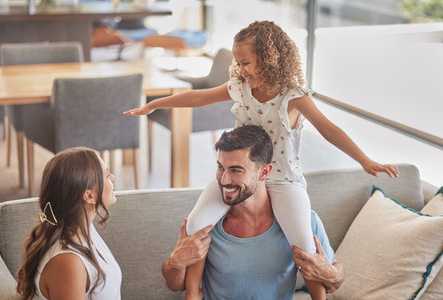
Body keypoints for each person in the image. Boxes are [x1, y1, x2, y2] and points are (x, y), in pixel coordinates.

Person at [125, 20, 397, 299]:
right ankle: (193, 294)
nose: (241, 71)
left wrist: (365, 161)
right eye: (238, 64)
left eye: (246, 63)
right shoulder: (239, 87)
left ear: (269, 60)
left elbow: (329, 129)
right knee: (195, 226)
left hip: (283, 180)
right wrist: (155, 104)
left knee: (304, 245)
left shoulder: (293, 97)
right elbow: (198, 97)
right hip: (242, 174)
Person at [162, 125, 344, 299]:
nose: (224, 180)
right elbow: (177, 286)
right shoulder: (208, 223)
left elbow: (333, 284)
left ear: (264, 172)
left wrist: (332, 274)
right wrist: (175, 262)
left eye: (236, 170)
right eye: (220, 168)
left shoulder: (302, 222)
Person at [16, 147, 121, 300]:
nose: (112, 176)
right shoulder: (68, 263)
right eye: (105, 175)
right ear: (89, 196)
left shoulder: (82, 227)